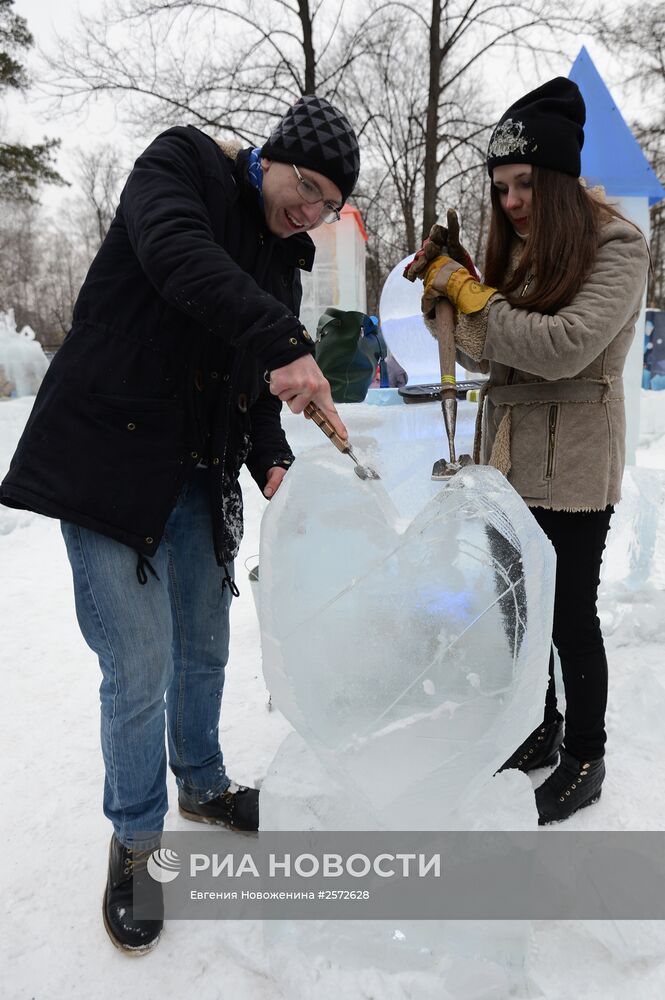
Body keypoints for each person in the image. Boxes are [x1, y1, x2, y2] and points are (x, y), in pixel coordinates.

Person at [0, 94, 360, 952]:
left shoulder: (281, 262)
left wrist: (271, 456)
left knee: (203, 646)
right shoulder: (181, 167)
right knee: (139, 665)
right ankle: (137, 842)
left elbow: (251, 382)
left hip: (197, 476)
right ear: (269, 156)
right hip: (106, 465)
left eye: (327, 204)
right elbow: (178, 259)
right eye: (304, 186)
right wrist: (281, 340)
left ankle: (200, 781)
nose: (308, 210)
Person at [412, 78, 649, 825]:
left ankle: (586, 753)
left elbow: (563, 347)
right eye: (499, 187)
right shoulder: (515, 252)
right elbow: (494, 354)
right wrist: (445, 305)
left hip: (574, 462)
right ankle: (537, 724)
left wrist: (476, 300)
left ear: (556, 179)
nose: (510, 201)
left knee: (568, 616)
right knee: (518, 612)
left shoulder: (618, 245)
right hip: (506, 459)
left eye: (523, 184)